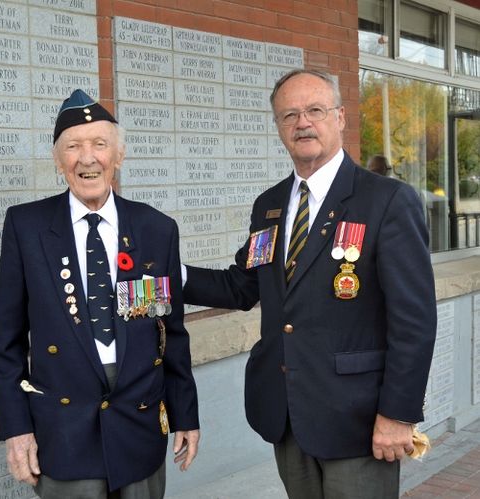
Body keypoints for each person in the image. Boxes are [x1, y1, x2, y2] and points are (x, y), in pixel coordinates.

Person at [183, 69, 436, 498]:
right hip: (287, 412)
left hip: (358, 418)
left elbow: (413, 320)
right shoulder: (269, 205)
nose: (303, 123)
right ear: (279, 127)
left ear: (340, 117)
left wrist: (399, 414)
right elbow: (242, 287)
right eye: (290, 115)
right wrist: (170, 273)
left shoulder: (386, 200)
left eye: (315, 110)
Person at [0, 89, 200, 499]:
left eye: (100, 145)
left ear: (117, 157)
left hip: (139, 423)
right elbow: (7, 343)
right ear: (58, 160)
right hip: (64, 429)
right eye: (74, 147)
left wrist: (185, 414)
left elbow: (170, 332)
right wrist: (16, 428)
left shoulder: (156, 229)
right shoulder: (26, 227)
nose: (87, 158)